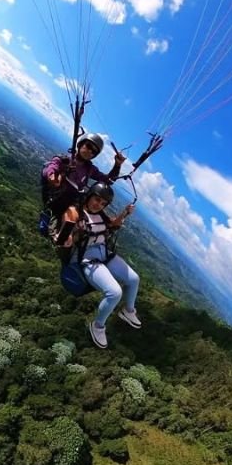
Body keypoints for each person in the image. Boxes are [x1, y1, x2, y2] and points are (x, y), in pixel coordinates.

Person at [56, 182, 141, 349]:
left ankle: (129, 311)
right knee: (114, 292)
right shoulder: (75, 214)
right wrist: (67, 239)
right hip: (87, 260)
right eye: (96, 200)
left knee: (134, 279)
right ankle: (98, 326)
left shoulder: (101, 216)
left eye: (103, 203)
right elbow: (64, 232)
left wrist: (125, 213)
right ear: (88, 196)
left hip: (104, 255)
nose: (98, 205)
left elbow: (113, 224)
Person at [42, 133, 126, 223]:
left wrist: (117, 165)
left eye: (94, 151)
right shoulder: (64, 160)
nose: (90, 151)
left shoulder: (89, 169)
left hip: (73, 203)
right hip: (56, 201)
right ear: (80, 144)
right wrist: (52, 176)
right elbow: (52, 166)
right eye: (88, 146)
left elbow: (108, 181)